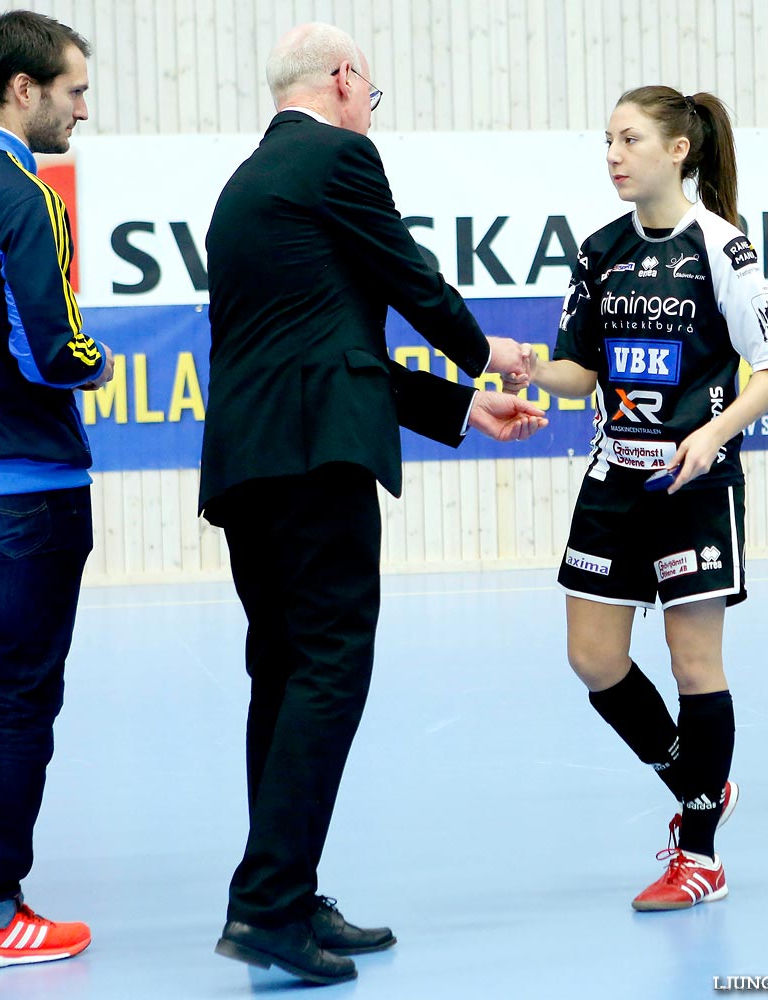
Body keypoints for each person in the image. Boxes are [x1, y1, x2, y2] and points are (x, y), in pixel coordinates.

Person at [199, 22, 546, 986]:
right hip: (316, 464)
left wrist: (461, 405)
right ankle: (269, 909)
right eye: (372, 92)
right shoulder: (340, 157)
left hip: (252, 463)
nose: (370, 110)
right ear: (346, 81)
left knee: (283, 672)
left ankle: (283, 891)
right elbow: (407, 275)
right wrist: (488, 351)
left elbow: (328, 349)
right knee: (329, 668)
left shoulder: (245, 188)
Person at [506, 88, 768, 910]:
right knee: (593, 659)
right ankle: (698, 783)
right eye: (606, 141)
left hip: (694, 485)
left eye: (629, 139)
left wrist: (714, 436)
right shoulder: (599, 252)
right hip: (615, 483)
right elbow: (579, 370)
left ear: (678, 149)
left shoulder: (724, 250)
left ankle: (700, 855)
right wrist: (526, 366)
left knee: (694, 662)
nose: (613, 155)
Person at [0, 9, 113, 971]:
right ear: (23, 90)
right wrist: (98, 365)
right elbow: (51, 350)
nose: (81, 112)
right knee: (19, 700)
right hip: (24, 487)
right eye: (74, 92)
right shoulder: (21, 191)